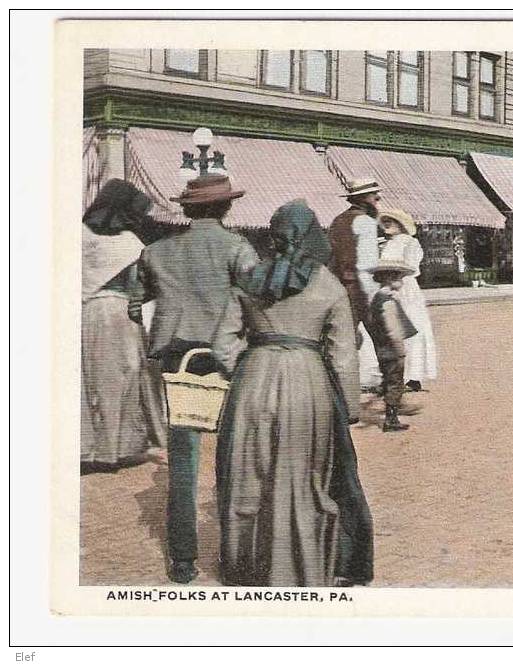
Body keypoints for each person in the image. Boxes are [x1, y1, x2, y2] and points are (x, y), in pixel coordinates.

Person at [213, 199, 372, 587]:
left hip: (253, 378)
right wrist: (349, 407)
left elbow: (222, 344)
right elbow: (343, 356)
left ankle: (246, 568)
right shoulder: (329, 285)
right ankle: (298, 565)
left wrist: (249, 367)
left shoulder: (249, 279)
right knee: (303, 475)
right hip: (308, 382)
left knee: (250, 472)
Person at [130, 173, 257, 584]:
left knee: (183, 460)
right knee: (232, 456)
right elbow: (257, 302)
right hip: (225, 358)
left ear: (185, 209)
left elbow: (134, 305)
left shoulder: (156, 251)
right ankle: (232, 556)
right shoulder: (237, 248)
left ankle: (183, 560)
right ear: (226, 208)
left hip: (175, 357)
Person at [81, 179, 167, 468]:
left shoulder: (80, 235)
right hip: (120, 313)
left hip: (88, 312)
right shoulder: (132, 244)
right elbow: (140, 285)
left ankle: (92, 447)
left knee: (91, 376)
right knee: (124, 375)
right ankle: (117, 448)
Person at [327, 177, 385, 388]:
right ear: (364, 199)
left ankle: (341, 384)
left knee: (343, 340)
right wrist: (372, 296)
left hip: (337, 287)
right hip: (359, 289)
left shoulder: (337, 221)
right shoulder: (366, 223)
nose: (378, 199)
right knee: (383, 341)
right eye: (373, 195)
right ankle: (390, 398)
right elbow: (366, 266)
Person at [378, 209, 438, 392]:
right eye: (385, 221)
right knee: (388, 330)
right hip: (388, 285)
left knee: (411, 329)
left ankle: (413, 376)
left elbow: (412, 267)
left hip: (405, 287)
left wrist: (394, 274)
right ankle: (391, 376)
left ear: (401, 225)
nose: (388, 224)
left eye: (392, 221)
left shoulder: (410, 243)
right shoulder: (385, 244)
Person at [364, 259, 419, 432]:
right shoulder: (387, 301)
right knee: (395, 382)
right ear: (389, 278)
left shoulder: (377, 299)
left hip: (381, 348)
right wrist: (400, 350)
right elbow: (393, 329)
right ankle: (391, 419)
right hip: (391, 349)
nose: (401, 281)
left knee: (389, 380)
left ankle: (388, 408)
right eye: (398, 277)